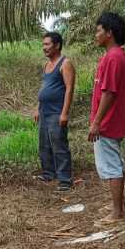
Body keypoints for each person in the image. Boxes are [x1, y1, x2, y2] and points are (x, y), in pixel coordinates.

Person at [87, 12, 125, 225]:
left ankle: (117, 212)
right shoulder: (115, 56)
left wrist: (96, 122)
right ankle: (118, 204)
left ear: (109, 33)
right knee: (115, 162)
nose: (96, 34)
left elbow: (109, 92)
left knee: (111, 166)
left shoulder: (113, 58)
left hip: (108, 122)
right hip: (113, 120)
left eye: (98, 30)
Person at [34, 31, 76, 192]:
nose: (44, 48)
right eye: (43, 44)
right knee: (44, 145)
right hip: (44, 111)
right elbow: (44, 88)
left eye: (47, 44)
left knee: (59, 145)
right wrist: (37, 108)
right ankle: (48, 173)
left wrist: (64, 113)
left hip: (56, 112)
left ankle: (65, 179)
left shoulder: (65, 63)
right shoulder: (46, 65)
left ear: (57, 45)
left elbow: (69, 88)